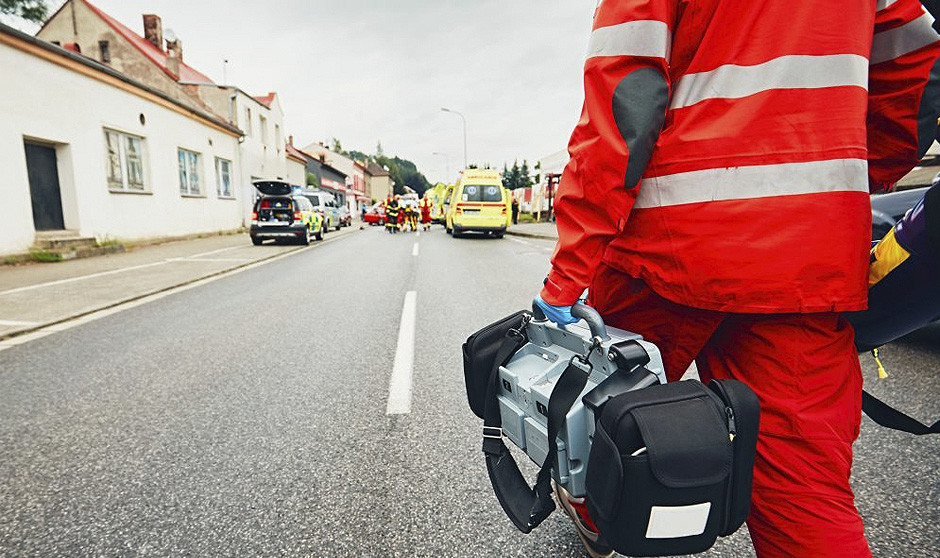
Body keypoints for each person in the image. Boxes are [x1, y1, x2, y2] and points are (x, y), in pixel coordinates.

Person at [535, 1, 940, 557]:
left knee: (602, 414)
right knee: (804, 496)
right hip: (803, 259)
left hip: (665, 249)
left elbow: (624, 102)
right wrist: (831, 181)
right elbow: (916, 71)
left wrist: (567, 273)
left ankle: (600, 514)